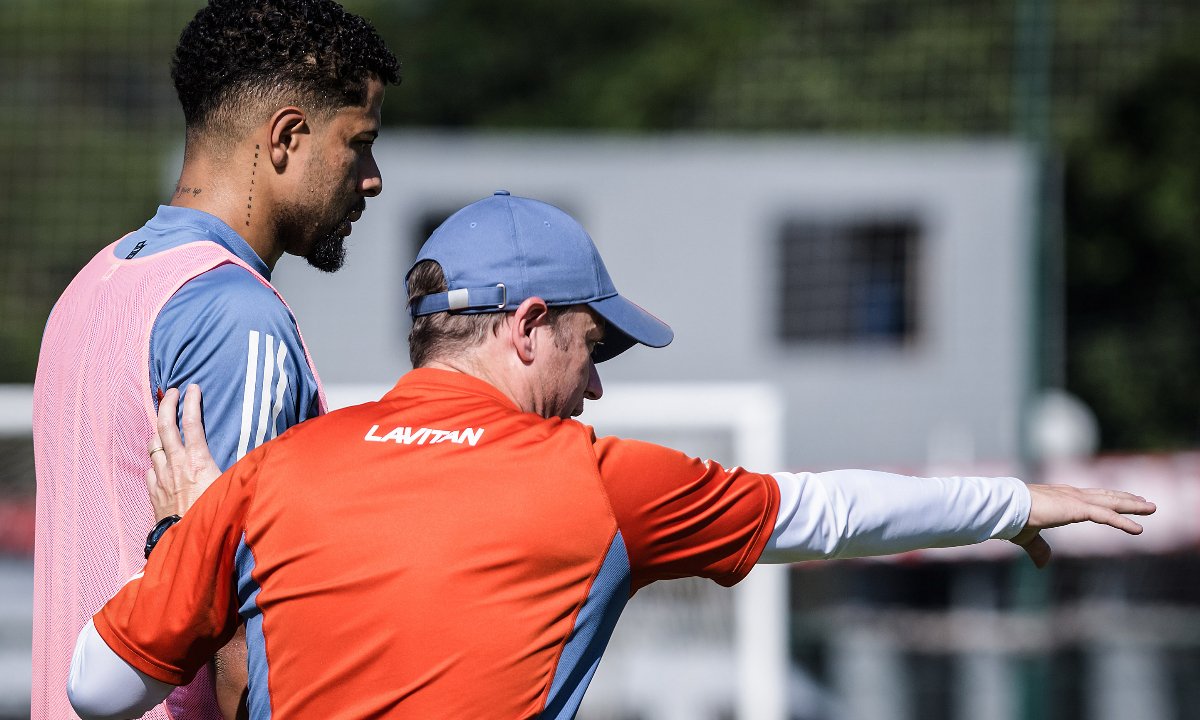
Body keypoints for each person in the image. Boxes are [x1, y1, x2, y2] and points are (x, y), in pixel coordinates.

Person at [65, 192, 1155, 720]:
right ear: (526, 326)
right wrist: (1018, 501)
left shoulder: (269, 476)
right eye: (593, 346)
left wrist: (183, 540)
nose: (596, 384)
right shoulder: (594, 479)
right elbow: (827, 514)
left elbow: (98, 686)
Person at [30, 1, 400, 718]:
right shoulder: (239, 319)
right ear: (288, 135)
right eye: (359, 142)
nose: (373, 176)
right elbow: (242, 633)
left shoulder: (95, 282)